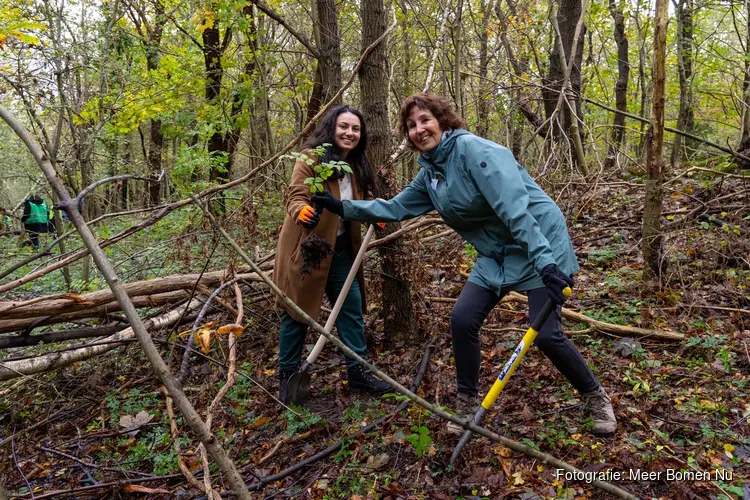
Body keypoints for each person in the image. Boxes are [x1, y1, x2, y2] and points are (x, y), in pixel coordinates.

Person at [312, 93, 617, 436]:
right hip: (496, 254)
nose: (419, 129)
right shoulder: (430, 173)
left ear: (442, 120)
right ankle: (468, 403)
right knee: (462, 319)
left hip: (537, 243)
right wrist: (343, 208)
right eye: (411, 126)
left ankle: (595, 396)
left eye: (425, 120)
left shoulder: (476, 152)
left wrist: (546, 263)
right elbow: (395, 209)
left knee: (546, 334)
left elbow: (516, 211)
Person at [273, 105, 391, 403]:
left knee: (350, 308)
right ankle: (287, 377)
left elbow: (362, 200)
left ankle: (358, 373)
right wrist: (303, 212)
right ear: (331, 128)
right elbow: (295, 194)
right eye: (344, 127)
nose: (349, 133)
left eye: (355, 129)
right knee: (298, 312)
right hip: (308, 248)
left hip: (341, 251)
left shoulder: (358, 164)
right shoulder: (311, 158)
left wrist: (375, 211)